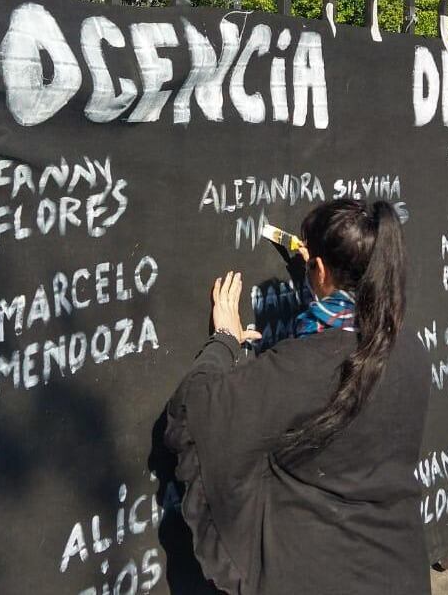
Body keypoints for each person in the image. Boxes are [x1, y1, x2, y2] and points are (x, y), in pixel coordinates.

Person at [164, 198, 430, 595]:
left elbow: (195, 411)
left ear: (319, 269)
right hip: (399, 569)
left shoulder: (302, 365)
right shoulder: (409, 350)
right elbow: (343, 343)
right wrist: (323, 281)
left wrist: (224, 341)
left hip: (318, 574)